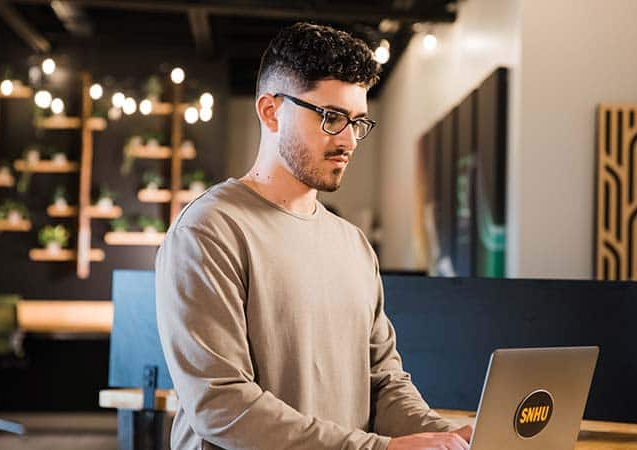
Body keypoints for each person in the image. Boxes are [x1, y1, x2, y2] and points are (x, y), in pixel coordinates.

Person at [156, 22, 472, 450]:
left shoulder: (353, 244)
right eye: (330, 117)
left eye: (357, 121)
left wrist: (444, 435)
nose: (348, 140)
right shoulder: (208, 231)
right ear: (270, 111)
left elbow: (383, 381)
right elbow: (221, 403)